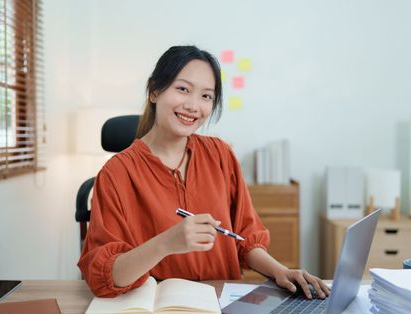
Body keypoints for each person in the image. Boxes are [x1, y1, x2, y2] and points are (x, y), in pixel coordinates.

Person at [78, 45, 330, 300]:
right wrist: (166, 243)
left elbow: (245, 240)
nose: (193, 106)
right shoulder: (116, 173)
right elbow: (108, 277)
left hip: (222, 306)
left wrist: (280, 271)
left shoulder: (221, 155)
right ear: (154, 91)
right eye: (183, 89)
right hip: (157, 309)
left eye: (206, 96)